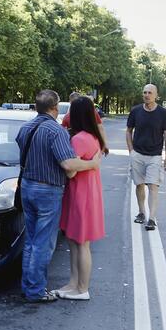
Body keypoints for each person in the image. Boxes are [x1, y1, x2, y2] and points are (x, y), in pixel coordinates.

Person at [16, 89, 102, 303]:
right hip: (48, 189)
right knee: (44, 243)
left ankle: (28, 285)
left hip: (26, 186)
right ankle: (35, 290)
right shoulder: (56, 132)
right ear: (55, 108)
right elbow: (69, 165)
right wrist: (92, 163)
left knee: (31, 240)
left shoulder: (24, 128)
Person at [54, 96, 106, 300]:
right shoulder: (93, 137)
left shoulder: (78, 139)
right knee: (76, 242)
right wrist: (92, 164)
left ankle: (82, 288)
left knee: (80, 243)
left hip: (80, 195)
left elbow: (70, 172)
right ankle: (74, 284)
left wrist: (86, 164)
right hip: (87, 193)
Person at [126, 84, 166, 231]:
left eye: (150, 92)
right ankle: (141, 212)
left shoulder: (163, 113)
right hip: (137, 154)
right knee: (139, 185)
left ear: (156, 95)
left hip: (155, 156)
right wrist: (131, 150)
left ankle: (151, 218)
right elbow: (128, 131)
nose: (146, 95)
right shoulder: (136, 111)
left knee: (153, 186)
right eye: (144, 92)